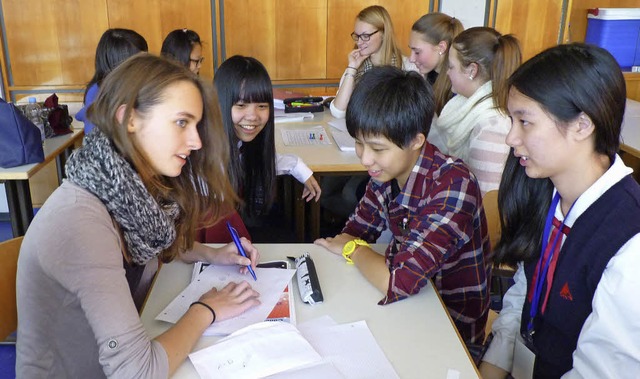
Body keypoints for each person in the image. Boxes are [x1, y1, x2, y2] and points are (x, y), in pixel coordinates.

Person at [16, 54, 261, 377]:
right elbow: (139, 372)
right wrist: (206, 310)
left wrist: (212, 254)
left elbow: (154, 246)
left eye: (196, 125)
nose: (197, 141)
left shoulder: (126, 190)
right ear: (129, 119)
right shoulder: (80, 222)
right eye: (181, 122)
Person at [480, 43, 640, 378]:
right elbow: (524, 291)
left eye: (525, 121)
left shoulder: (629, 241)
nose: (510, 137)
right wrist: (492, 366)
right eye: (511, 120)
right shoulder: (544, 190)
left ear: (582, 125)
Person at [315, 66, 491, 362]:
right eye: (359, 143)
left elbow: (397, 281)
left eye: (377, 148)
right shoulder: (387, 172)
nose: (365, 158)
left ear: (416, 141)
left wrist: (351, 249)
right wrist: (353, 245)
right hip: (405, 310)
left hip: (448, 332)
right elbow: (355, 230)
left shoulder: (453, 183)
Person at [197, 55, 320, 241]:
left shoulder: (236, 139)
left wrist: (298, 167)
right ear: (220, 103)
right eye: (241, 105)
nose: (253, 116)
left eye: (261, 106)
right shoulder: (205, 153)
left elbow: (260, 159)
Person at [430, 27, 521, 195]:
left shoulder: (492, 125)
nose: (447, 73)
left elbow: (485, 198)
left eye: (451, 66)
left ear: (472, 70)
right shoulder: (465, 104)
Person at [329, 5, 417, 119]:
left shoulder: (407, 67)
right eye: (357, 36)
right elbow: (338, 112)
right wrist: (352, 68)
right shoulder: (356, 68)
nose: (360, 42)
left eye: (365, 36)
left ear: (384, 34)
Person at [75, 28, 148, 134]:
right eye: (140, 61)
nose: (147, 66)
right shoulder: (97, 95)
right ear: (120, 64)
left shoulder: (136, 86)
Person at [409, 12, 464, 114]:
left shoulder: (458, 90)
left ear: (441, 48)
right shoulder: (428, 78)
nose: (411, 59)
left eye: (417, 52)